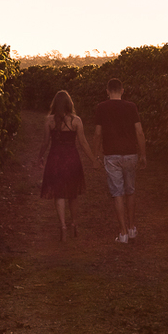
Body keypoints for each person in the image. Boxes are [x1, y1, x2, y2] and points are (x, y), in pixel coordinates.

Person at [39, 90, 98, 241]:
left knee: (58, 194)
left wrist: (40, 156)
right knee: (72, 194)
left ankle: (63, 226)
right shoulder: (76, 120)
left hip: (55, 159)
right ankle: (74, 224)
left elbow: (45, 143)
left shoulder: (49, 121)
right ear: (69, 103)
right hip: (72, 159)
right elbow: (83, 143)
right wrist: (93, 160)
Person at [93, 78, 146, 244]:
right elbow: (139, 132)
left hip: (111, 155)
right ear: (122, 90)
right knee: (130, 191)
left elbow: (97, 133)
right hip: (130, 153)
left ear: (107, 91)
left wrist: (96, 155)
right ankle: (132, 228)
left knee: (117, 193)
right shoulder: (131, 107)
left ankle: (122, 233)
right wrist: (143, 154)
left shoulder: (101, 108)